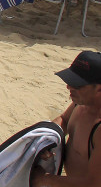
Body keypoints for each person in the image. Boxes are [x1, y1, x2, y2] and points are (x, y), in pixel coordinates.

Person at [30, 51, 101, 187]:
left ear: (98, 89)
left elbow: (94, 183)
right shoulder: (80, 103)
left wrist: (44, 179)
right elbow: (64, 120)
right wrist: (46, 141)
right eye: (70, 81)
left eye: (77, 85)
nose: (68, 87)